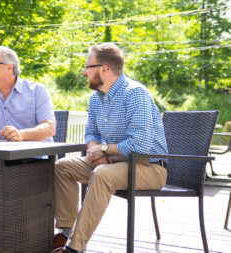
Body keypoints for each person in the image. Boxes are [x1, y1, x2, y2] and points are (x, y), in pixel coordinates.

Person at [52, 43, 168, 253]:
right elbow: (90, 133)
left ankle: (74, 248)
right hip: (113, 163)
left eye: (87, 66)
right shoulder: (96, 98)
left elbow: (140, 144)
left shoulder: (135, 94)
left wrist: (104, 149)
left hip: (149, 168)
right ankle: (67, 232)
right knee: (63, 166)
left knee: (102, 174)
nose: (84, 71)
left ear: (104, 68)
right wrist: (95, 149)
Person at [0, 46, 56, 141]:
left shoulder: (37, 91)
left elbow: (49, 128)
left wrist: (22, 135)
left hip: (34, 154)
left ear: (9, 67)